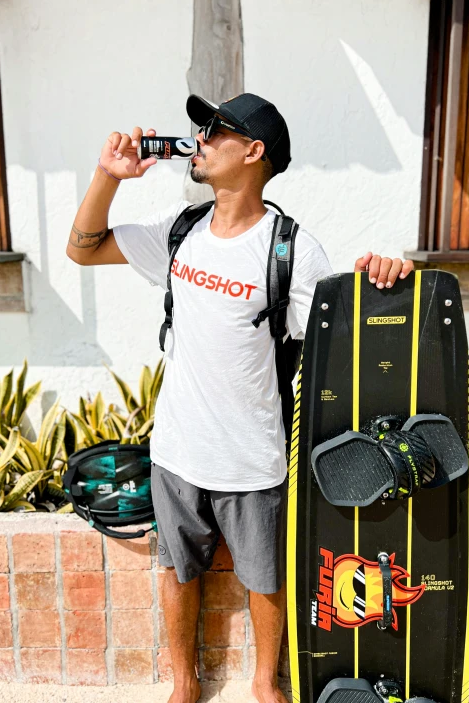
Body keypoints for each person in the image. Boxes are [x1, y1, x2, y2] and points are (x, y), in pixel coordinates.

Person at [67, 93, 414, 703]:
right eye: (201, 126)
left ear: (253, 152)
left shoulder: (291, 249)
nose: (199, 136)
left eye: (216, 129)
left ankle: (264, 685)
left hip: (253, 457)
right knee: (177, 571)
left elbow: (347, 332)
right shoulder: (179, 233)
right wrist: (106, 176)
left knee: (265, 580)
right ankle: (184, 684)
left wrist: (385, 277)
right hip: (176, 449)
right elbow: (83, 247)